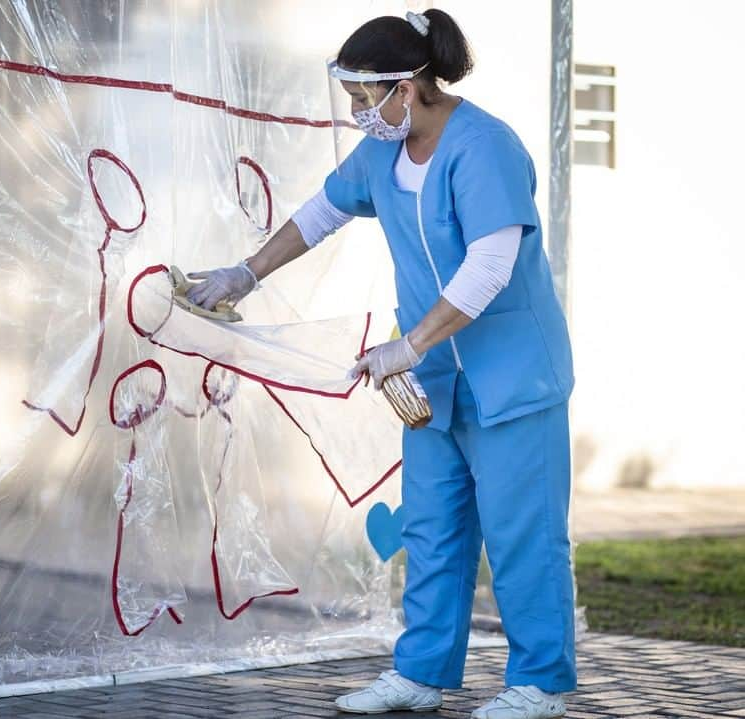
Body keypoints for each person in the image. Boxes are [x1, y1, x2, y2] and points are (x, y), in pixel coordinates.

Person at [186, 9, 575, 719]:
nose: (361, 117)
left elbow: (491, 266)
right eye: (354, 104)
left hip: (512, 379)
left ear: (410, 87)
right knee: (432, 530)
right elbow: (319, 214)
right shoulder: (382, 156)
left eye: (368, 101)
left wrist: (410, 342)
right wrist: (245, 273)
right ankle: (422, 673)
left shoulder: (483, 147)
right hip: (432, 382)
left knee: (524, 533)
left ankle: (541, 682)